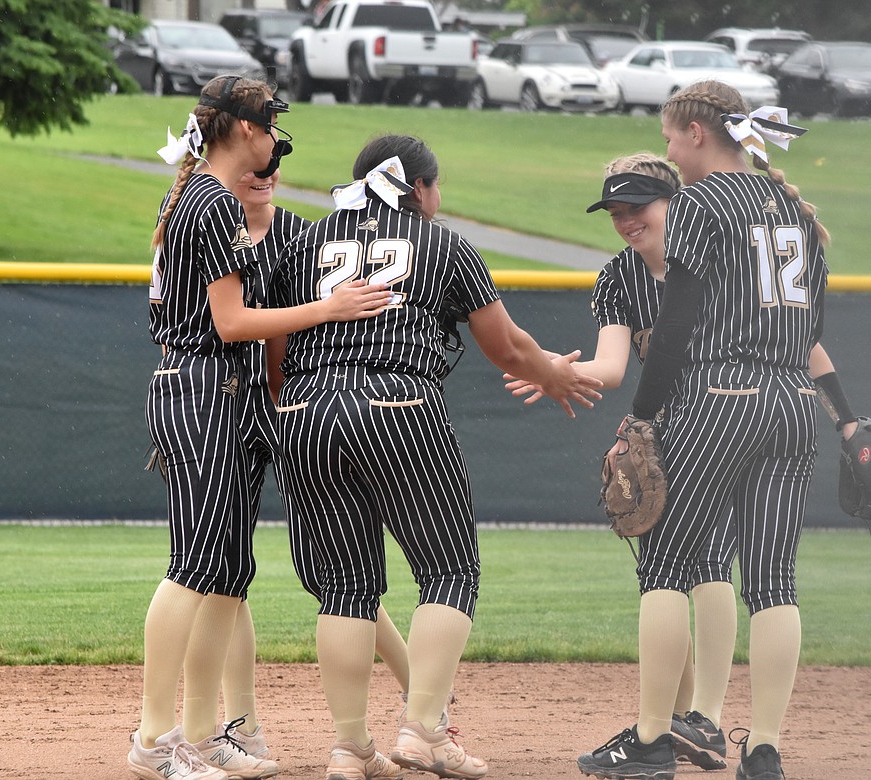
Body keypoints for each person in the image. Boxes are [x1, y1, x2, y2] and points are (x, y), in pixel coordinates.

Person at [265, 134, 602, 780]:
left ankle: (347, 749)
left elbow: (276, 351)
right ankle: (422, 731)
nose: (437, 198)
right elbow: (505, 348)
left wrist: (307, 405)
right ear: (417, 188)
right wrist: (553, 373)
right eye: (435, 186)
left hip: (304, 409)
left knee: (344, 588)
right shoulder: (443, 244)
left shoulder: (304, 242)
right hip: (398, 401)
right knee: (450, 571)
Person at [577, 81, 857, 780]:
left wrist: (643, 413)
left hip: (718, 393)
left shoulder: (699, 202)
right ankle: (762, 748)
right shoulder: (791, 206)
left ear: (698, 132)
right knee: (774, 583)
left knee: (668, 565)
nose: (670, 149)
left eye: (671, 137)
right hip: (793, 401)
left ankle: (651, 740)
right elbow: (813, 328)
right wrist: (844, 415)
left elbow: (673, 324)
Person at [130, 74, 393, 780]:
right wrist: (328, 309)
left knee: (224, 570)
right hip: (204, 386)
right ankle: (154, 743)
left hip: (218, 387)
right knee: (194, 567)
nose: (276, 137)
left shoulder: (196, 191)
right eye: (271, 124)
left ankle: (201, 734)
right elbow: (231, 323)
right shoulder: (212, 201)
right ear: (245, 129)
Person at [189, 167, 413, 764]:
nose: (265, 178)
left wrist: (290, 396)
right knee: (223, 572)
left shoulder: (300, 234)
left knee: (342, 571)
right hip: (225, 402)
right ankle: (242, 727)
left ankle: (425, 702)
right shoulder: (209, 225)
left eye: (272, 170)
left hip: (289, 402)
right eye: (254, 170)